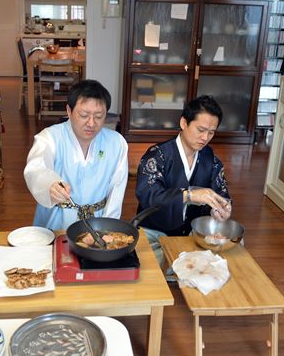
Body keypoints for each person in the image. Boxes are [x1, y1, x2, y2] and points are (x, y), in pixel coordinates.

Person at [135, 95, 231, 265]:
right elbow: (148, 196)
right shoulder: (157, 155)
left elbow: (222, 193)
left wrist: (221, 209)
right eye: (200, 130)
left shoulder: (211, 160)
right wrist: (189, 195)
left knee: (228, 255)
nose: (205, 137)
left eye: (211, 132)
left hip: (192, 232)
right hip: (155, 231)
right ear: (184, 123)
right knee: (149, 267)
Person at [24, 79, 128, 230]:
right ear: (69, 111)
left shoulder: (117, 143)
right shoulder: (50, 137)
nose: (91, 123)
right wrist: (49, 184)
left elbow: (116, 193)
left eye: (99, 116)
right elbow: (36, 168)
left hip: (98, 225)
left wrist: (108, 229)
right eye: (84, 115)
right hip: (56, 223)